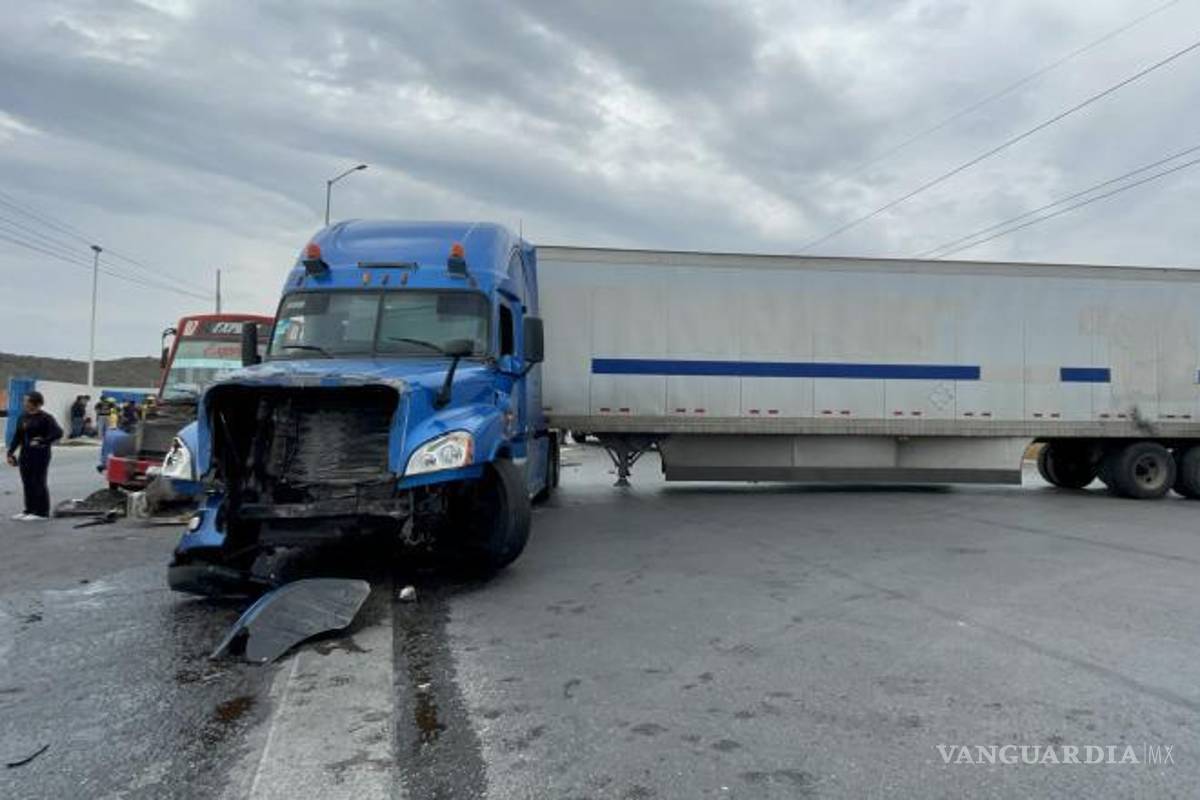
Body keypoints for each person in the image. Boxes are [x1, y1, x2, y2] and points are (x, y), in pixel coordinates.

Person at [5, 391, 63, 521]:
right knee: (27, 482)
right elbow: (17, 436)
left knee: (38, 482)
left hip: (40, 454)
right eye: (24, 400)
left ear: (35, 403)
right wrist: (10, 453)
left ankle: (42, 512)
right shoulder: (23, 417)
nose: (24, 403)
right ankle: (29, 510)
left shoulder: (46, 418)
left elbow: (58, 433)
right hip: (25, 454)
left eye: (26, 401)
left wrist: (43, 440)